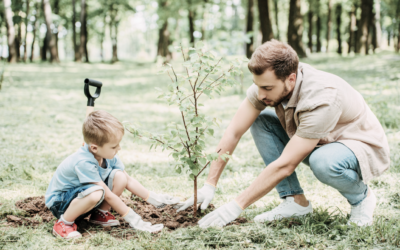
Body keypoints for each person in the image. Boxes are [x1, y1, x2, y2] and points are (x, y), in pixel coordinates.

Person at [176, 40, 390, 228]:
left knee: (322, 161)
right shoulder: (266, 85)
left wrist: (235, 205)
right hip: (320, 138)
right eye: (257, 86)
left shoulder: (322, 98)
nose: (260, 94)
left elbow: (286, 164)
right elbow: (233, 131)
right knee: (261, 122)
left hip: (357, 145)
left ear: (291, 78)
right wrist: (209, 185)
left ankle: (362, 199)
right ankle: (295, 201)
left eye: (267, 88)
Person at [45, 110, 180, 239]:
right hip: (61, 203)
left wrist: (154, 199)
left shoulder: (106, 154)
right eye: (114, 146)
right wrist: (135, 220)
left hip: (81, 199)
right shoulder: (83, 162)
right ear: (94, 148)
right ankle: (63, 223)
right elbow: (107, 195)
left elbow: (128, 180)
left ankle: (99, 214)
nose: (118, 148)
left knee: (120, 177)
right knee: (97, 192)